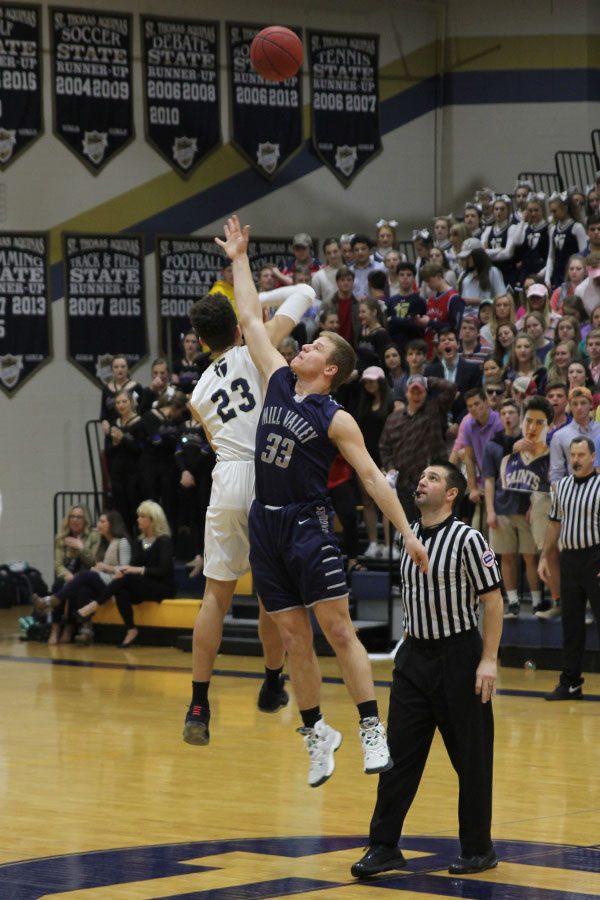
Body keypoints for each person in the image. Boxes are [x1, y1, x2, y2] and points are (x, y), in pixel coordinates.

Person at [218, 215, 428, 788]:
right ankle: (316, 735)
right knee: (293, 640)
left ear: (329, 368)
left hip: (309, 527)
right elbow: (247, 318)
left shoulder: (335, 416)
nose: (300, 345)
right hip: (267, 525)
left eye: (311, 345)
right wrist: (239, 256)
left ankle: (369, 726)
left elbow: (372, 480)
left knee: (337, 632)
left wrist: (408, 531)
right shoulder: (279, 379)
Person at [351, 461, 503, 880]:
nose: (422, 481)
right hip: (414, 657)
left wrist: (488, 660)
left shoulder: (469, 539)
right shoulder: (409, 534)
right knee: (396, 758)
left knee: (471, 759)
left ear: (452, 493)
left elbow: (493, 601)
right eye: (422, 476)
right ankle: (383, 846)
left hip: (459, 657)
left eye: (433, 478)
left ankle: (478, 850)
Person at [182, 282, 317, 745]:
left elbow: (218, 440)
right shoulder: (256, 349)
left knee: (214, 598)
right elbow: (305, 293)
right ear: (240, 326)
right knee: (270, 594)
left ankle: (199, 704)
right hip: (266, 474)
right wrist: (260, 298)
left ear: (201, 340)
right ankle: (271, 681)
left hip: (226, 481)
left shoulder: (196, 393)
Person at [539, 436, 600, 700]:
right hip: (569, 560)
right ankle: (571, 683)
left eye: (581, 455)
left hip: (596, 559)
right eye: (572, 455)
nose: (575, 460)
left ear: (593, 457)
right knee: (571, 625)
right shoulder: (562, 486)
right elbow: (554, 523)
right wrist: (544, 557)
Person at [78, 500, 175, 647]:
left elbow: (163, 570)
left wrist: (138, 570)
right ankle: (131, 629)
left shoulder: (164, 541)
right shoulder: (139, 541)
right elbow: (132, 566)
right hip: (142, 585)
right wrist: (122, 571)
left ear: (153, 519)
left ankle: (94, 605)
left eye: (142, 516)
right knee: (121, 589)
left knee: (127, 578)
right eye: (138, 516)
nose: (138, 520)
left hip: (162, 586)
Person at [35, 510, 131, 645]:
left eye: (102, 522)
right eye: (72, 516)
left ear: (112, 524)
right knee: (81, 588)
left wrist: (103, 567)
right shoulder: (106, 542)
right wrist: (98, 568)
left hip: (115, 585)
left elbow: (125, 570)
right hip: (103, 580)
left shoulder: (122, 542)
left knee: (84, 576)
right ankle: (86, 630)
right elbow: (60, 564)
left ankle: (52, 601)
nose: (98, 525)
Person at [380, 374, 458, 521]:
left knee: (434, 523)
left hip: (432, 481)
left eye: (420, 392)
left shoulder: (433, 409)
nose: (416, 395)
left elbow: (451, 388)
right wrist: (390, 467)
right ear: (406, 393)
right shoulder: (393, 418)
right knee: (410, 525)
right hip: (403, 482)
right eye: (413, 391)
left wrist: (427, 380)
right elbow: (384, 447)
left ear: (426, 393)